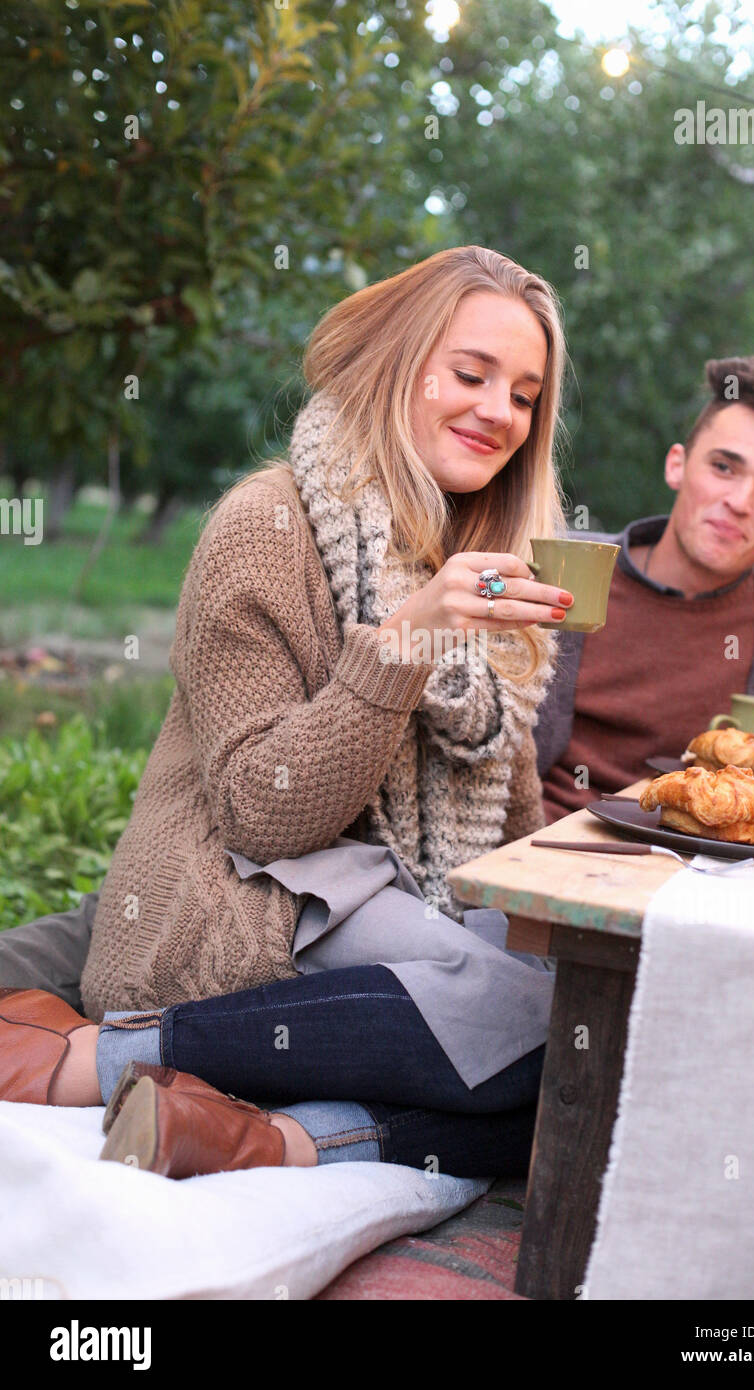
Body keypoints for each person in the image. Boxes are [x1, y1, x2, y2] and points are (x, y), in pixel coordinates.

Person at [0, 245, 577, 1180]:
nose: (498, 412)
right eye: (471, 374)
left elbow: (507, 820)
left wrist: (568, 910)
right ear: (398, 363)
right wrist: (405, 642)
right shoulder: (267, 526)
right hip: (250, 893)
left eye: (523, 395)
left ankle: (270, 1139)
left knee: (583, 1039)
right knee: (525, 1022)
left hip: (400, 908)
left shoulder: (489, 559)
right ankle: (88, 1063)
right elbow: (262, 814)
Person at [535, 353, 754, 821]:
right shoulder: (564, 562)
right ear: (677, 465)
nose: (739, 502)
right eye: (723, 467)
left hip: (695, 884)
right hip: (529, 857)